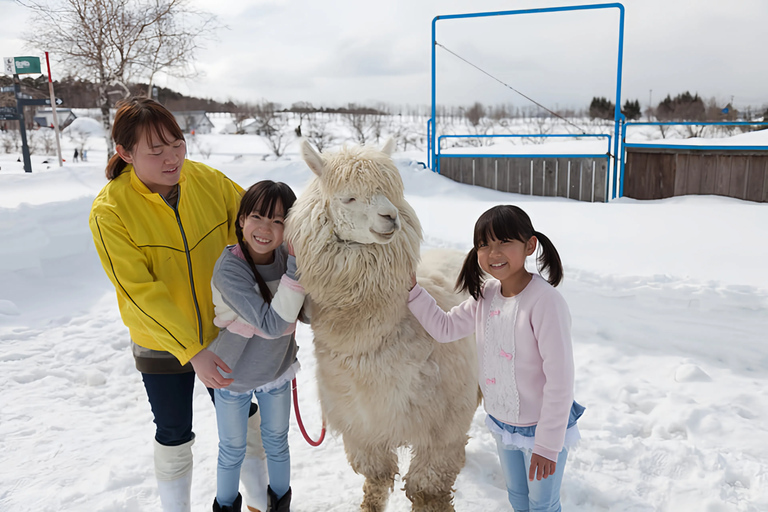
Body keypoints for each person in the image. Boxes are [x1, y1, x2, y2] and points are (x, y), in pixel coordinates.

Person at [88, 97, 268, 512]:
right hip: (162, 345)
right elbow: (141, 293)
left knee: (244, 420)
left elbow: (256, 226)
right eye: (156, 151)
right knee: (173, 432)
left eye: (177, 144)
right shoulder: (110, 211)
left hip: (224, 332)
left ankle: (261, 505)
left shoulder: (206, 180)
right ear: (125, 153)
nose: (172, 158)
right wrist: (193, 352)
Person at [407, 205, 584, 512]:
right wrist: (412, 290)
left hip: (542, 427)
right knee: (517, 497)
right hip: (503, 422)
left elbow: (560, 379)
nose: (494, 252)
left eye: (504, 242)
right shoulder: (487, 295)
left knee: (542, 504)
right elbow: (445, 327)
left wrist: (547, 444)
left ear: (529, 246)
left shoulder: (545, 302)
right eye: (484, 244)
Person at [207, 180, 305, 512]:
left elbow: (305, 312)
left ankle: (279, 508)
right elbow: (273, 324)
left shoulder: (284, 258)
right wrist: (298, 267)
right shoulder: (229, 269)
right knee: (232, 449)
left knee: (277, 444)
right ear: (241, 220)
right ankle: (226, 507)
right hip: (231, 375)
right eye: (257, 217)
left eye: (278, 221)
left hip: (276, 370)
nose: (265, 229)